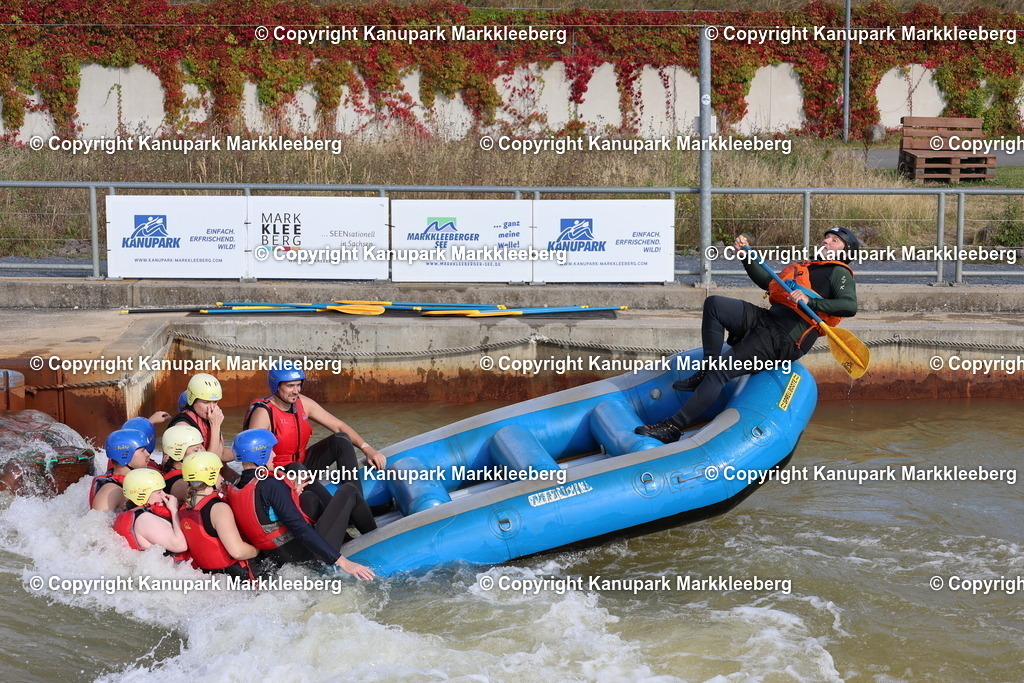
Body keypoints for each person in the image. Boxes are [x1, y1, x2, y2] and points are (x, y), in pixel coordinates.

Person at [636, 227, 859, 444]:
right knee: (715, 305)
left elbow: (849, 306)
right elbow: (767, 281)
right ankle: (706, 370)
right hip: (768, 320)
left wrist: (810, 301)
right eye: (826, 238)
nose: (826, 241)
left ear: (845, 252)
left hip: (784, 339)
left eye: (835, 241)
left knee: (721, 371)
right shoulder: (805, 267)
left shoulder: (839, 273)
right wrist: (745, 256)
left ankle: (673, 428)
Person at [224, 428, 376, 580]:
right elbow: (299, 527)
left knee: (308, 497)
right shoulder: (270, 485)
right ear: (260, 454)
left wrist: (291, 493)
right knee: (349, 491)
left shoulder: (235, 486)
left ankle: (346, 538)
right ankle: (376, 536)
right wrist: (343, 562)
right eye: (271, 451)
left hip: (279, 557)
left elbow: (261, 512)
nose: (274, 455)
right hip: (308, 556)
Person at [243, 362, 385, 479]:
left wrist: (367, 449)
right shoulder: (263, 413)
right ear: (276, 386)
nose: (296, 391)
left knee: (341, 439)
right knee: (296, 468)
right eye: (290, 386)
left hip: (303, 465)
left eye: (298, 385)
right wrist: (284, 479)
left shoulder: (303, 403)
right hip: (277, 473)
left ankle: (353, 493)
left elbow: (338, 426)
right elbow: (252, 457)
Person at [178, 451, 259, 579]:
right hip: (234, 577)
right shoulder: (219, 509)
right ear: (211, 476)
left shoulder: (183, 509)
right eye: (218, 473)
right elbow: (237, 552)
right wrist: (258, 549)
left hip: (206, 576)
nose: (222, 478)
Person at [113, 468, 189, 562]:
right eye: (159, 492)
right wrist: (174, 510)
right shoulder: (144, 519)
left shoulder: (137, 513)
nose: (164, 495)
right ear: (142, 495)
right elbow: (180, 546)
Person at [90, 429, 153, 512]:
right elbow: (97, 519)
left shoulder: (127, 483)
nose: (147, 454)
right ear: (125, 455)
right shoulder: (111, 491)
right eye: (142, 450)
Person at [168, 374, 228, 462]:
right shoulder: (183, 427)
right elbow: (209, 462)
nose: (212, 408)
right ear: (192, 400)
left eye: (215, 402)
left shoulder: (208, 419)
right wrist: (215, 426)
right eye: (206, 402)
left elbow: (220, 454)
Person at [160, 423, 204, 501]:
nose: (201, 453)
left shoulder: (179, 474)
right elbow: (203, 500)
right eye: (196, 450)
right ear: (178, 453)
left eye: (201, 448)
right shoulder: (180, 484)